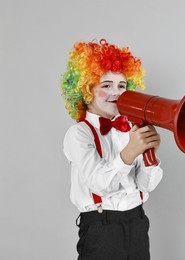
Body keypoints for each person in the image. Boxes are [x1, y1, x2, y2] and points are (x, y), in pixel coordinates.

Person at [60, 39, 163, 260]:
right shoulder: (79, 134)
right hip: (101, 228)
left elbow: (147, 185)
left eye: (122, 86)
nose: (116, 92)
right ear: (86, 90)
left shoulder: (129, 129)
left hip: (137, 223)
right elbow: (99, 183)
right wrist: (129, 152)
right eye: (106, 85)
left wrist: (149, 155)